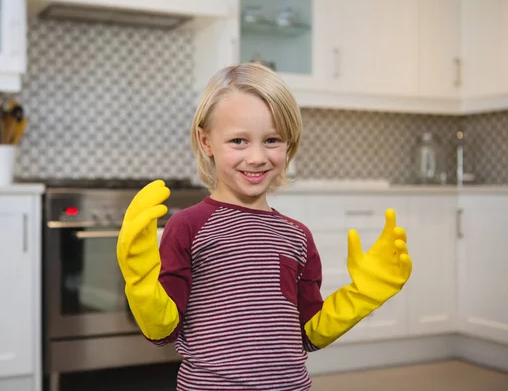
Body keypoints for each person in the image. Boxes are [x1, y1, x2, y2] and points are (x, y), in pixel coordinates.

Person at [116, 62, 412, 390]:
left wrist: (362, 295)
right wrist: (140, 280)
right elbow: (163, 331)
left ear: (289, 144)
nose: (257, 157)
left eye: (271, 140)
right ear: (206, 142)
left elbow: (310, 333)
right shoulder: (188, 227)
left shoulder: (297, 237)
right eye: (239, 141)